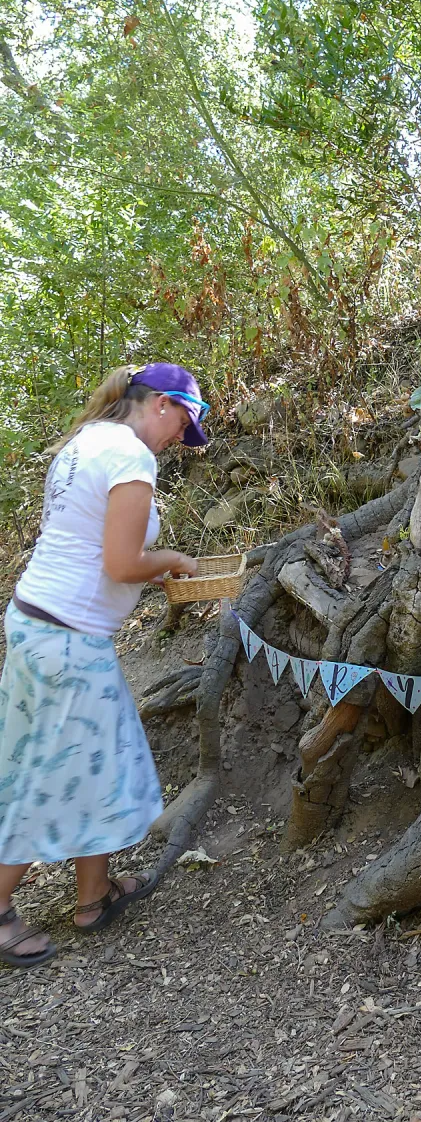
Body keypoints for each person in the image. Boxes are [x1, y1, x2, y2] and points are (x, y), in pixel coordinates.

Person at [0, 363, 209, 967]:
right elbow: (121, 563)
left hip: (42, 623)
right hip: (67, 639)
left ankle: (92, 897)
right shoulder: (128, 457)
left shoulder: (86, 440)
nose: (177, 441)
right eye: (183, 425)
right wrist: (174, 559)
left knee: (95, 760)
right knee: (45, 775)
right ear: (162, 405)